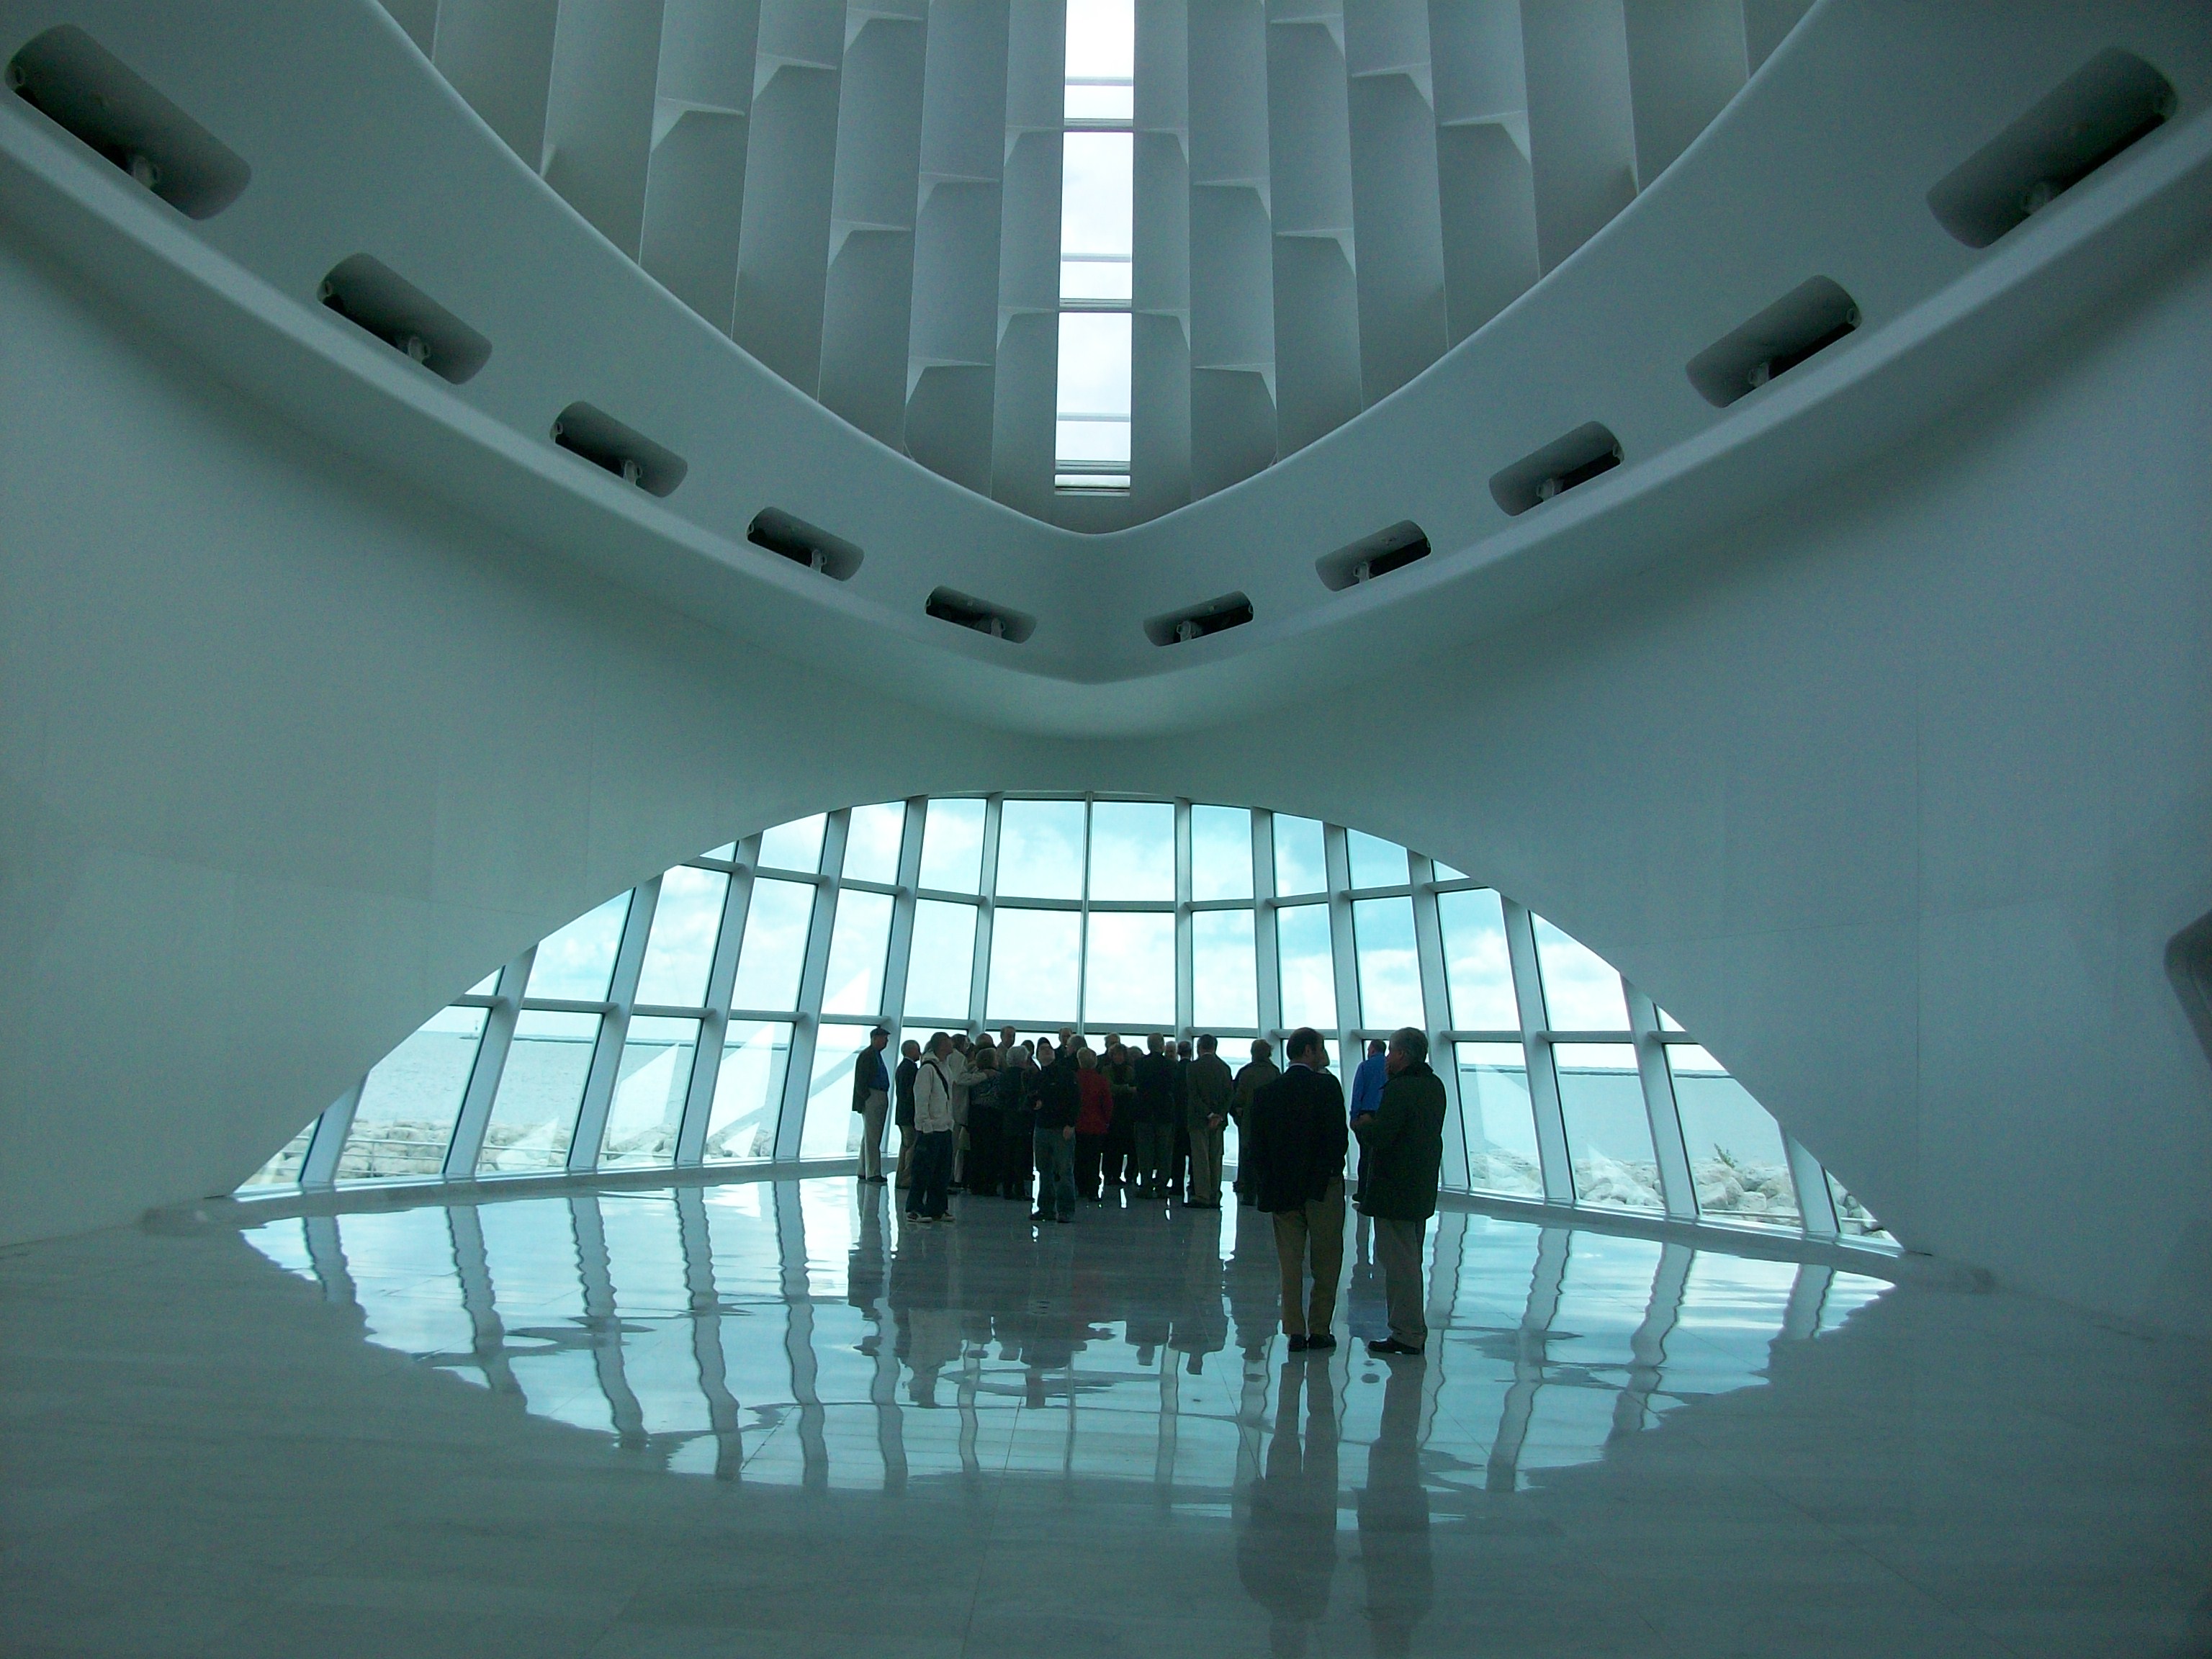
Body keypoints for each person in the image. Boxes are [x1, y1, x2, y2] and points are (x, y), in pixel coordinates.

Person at [1243, 1028, 1347, 1352]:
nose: (1323, 1053)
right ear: (1308, 1051)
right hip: (1322, 1189)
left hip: (1283, 1190)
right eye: (1321, 1048)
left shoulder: (1267, 1093)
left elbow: (1256, 1146)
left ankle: (1294, 1330)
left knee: (1290, 1263)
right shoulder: (1328, 1087)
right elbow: (1338, 1141)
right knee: (1327, 1259)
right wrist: (1329, 1173)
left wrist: (1268, 1182)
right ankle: (1320, 1328)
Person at [1354, 1028, 1447, 1358]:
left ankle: (1406, 1332)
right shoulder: (1434, 1086)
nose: (1386, 1059)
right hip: (1419, 1187)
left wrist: (1365, 1126)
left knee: (1398, 1263)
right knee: (1410, 1257)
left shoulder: (1401, 1089)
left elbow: (1384, 1137)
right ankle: (1409, 1329)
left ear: (1403, 1056)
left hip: (1395, 1188)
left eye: (1391, 1052)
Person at [908, 1033, 959, 1223]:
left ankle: (937, 1208)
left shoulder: (946, 1067)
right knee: (923, 1170)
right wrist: (925, 1124)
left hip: (944, 1127)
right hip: (930, 1129)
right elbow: (921, 1098)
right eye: (948, 1042)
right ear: (940, 1045)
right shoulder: (927, 1069)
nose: (952, 1044)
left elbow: (948, 1098)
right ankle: (915, 1208)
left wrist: (949, 1122)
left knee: (942, 1171)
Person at [1031, 1037, 1080, 1223]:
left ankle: (1066, 1209)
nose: (1046, 1051)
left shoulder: (1065, 1075)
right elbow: (1029, 1099)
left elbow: (1075, 1100)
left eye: (1049, 1049)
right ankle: (1046, 1208)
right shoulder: (1037, 1076)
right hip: (1042, 1126)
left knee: (1064, 1170)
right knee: (1044, 1169)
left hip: (1060, 1128)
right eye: (1042, 1049)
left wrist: (1070, 1124)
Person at [1229, 1038, 1280, 1205]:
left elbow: (1238, 1098)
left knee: (1248, 1157)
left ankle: (1249, 1194)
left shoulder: (1246, 1072)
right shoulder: (1274, 1072)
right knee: (1268, 1158)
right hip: (1271, 1122)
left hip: (1250, 1121)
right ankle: (1267, 1192)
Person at [1185, 1034, 1233, 1208]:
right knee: (1215, 1158)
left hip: (1199, 1120)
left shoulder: (1193, 1067)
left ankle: (1202, 1195)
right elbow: (1230, 1095)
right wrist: (1219, 1115)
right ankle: (1215, 1194)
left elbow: (1193, 1095)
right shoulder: (1224, 1068)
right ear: (1215, 1047)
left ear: (1199, 1047)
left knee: (1200, 1158)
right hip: (1218, 1122)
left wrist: (1208, 1114)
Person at [1133, 1034, 1177, 1199]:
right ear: (1162, 1046)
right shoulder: (1171, 1065)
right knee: (1164, 1151)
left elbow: (1138, 1087)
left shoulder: (1140, 1064)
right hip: (1164, 1113)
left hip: (1144, 1113)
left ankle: (1145, 1184)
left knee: (1145, 1152)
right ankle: (1161, 1185)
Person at [1348, 1038, 1388, 1203]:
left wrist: (1353, 1117)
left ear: (1372, 1050)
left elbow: (1358, 1093)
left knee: (1365, 1156)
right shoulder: (1389, 1066)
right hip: (1384, 1114)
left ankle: (1363, 1192)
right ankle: (1379, 1193)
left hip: (1366, 1115)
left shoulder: (1365, 1067)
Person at [850, 1026, 894, 1182]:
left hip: (875, 1095)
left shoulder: (873, 1055)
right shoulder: (868, 1055)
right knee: (874, 1136)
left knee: (869, 1136)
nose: (886, 1042)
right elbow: (861, 1081)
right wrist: (868, 1097)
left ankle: (863, 1169)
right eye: (884, 1038)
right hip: (873, 1095)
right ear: (875, 1039)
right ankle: (873, 1172)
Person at [1074, 1046, 1114, 1199]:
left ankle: (1080, 1187)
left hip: (1077, 1125)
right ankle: (1093, 1189)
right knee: (1094, 1159)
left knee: (1078, 1158)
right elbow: (1107, 1104)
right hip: (1096, 1126)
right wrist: (1106, 1121)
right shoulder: (1101, 1080)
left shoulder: (1074, 1078)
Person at [965, 1037, 1003, 1198]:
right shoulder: (997, 1077)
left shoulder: (974, 1075)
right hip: (992, 1116)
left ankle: (975, 1184)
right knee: (992, 1151)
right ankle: (989, 1185)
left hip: (975, 1115)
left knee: (977, 1150)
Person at [893, 1038, 921, 1189]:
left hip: (902, 1114)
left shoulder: (902, 1068)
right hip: (909, 1115)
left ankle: (901, 1177)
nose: (920, 1052)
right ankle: (906, 1178)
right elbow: (911, 1094)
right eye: (917, 1049)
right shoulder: (911, 1069)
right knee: (911, 1147)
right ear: (911, 1050)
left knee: (905, 1146)